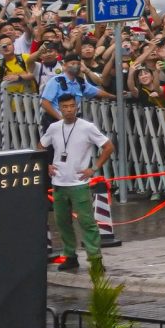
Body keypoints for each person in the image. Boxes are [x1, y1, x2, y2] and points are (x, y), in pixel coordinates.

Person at [41, 90, 113, 274]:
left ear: (77, 107)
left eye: (72, 106)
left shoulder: (86, 127)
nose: (69, 110)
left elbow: (108, 146)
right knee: (63, 222)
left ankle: (95, 258)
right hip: (59, 182)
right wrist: (46, 164)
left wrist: (94, 168)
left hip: (78, 183)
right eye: (65, 107)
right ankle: (70, 255)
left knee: (87, 222)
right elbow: (41, 146)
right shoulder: (54, 128)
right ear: (60, 108)